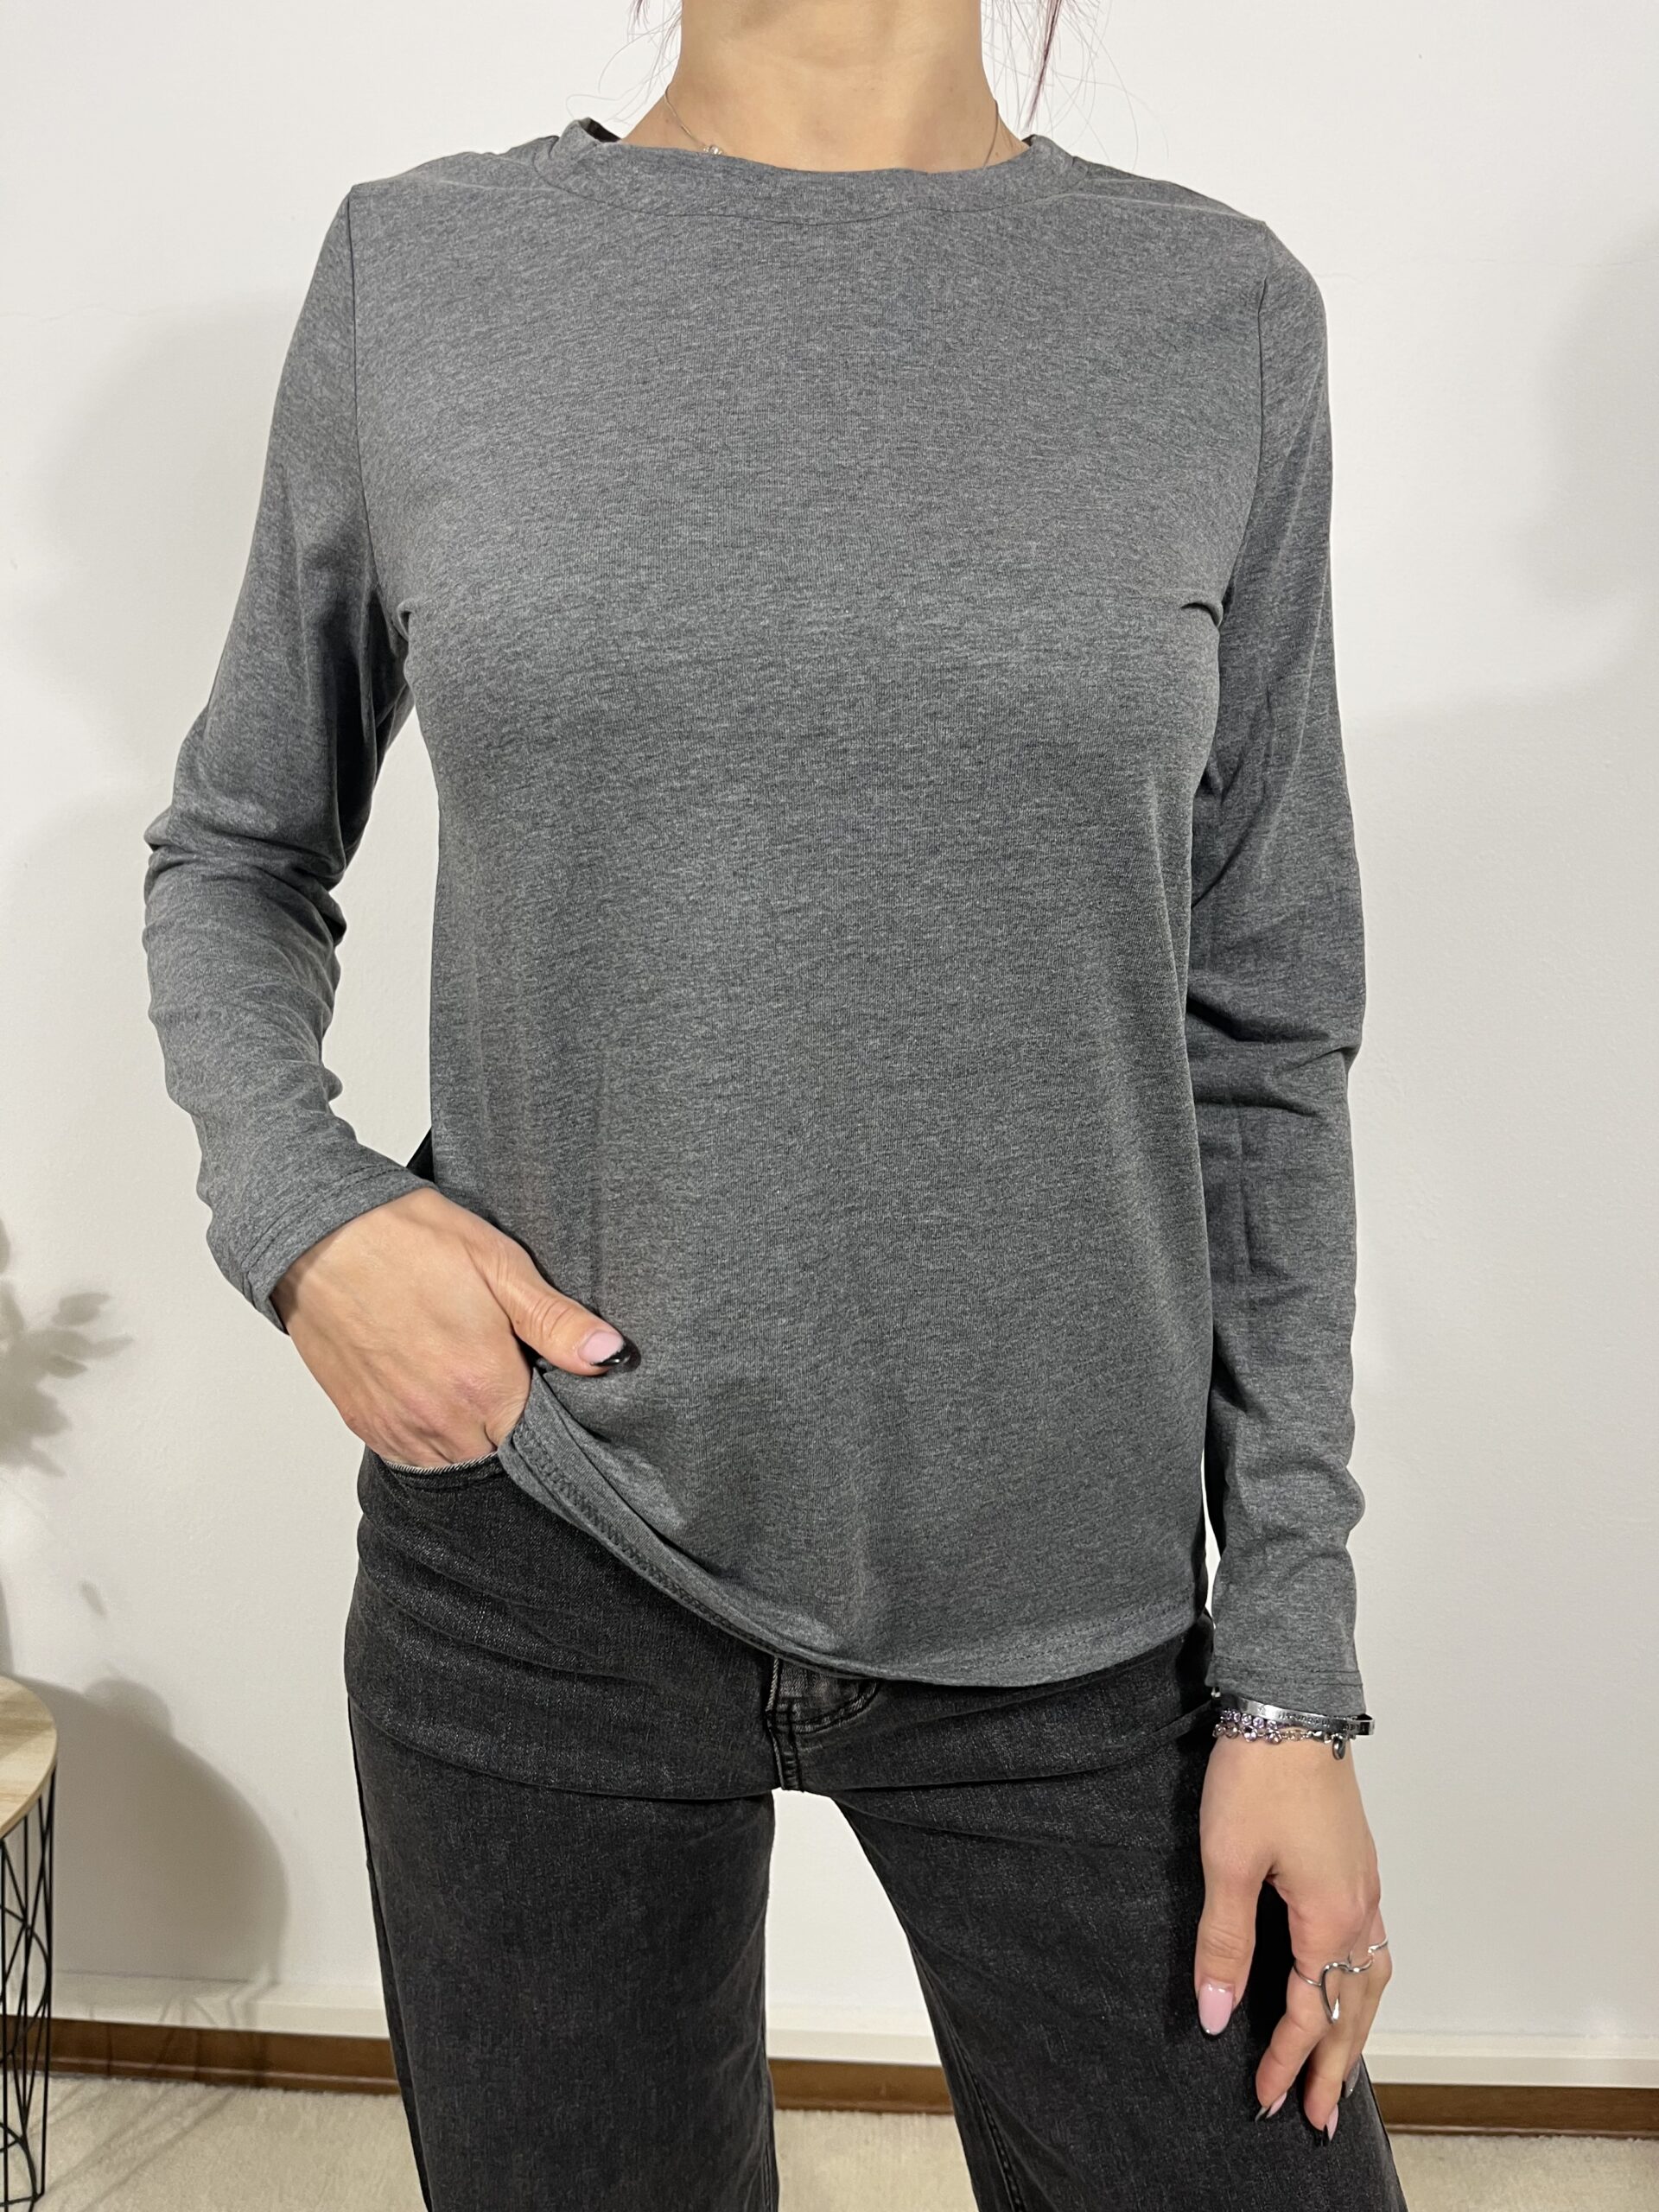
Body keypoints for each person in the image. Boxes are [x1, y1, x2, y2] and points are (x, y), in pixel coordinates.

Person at [140, 3, 1407, 2205]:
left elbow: (1268, 1032)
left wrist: (1288, 1669)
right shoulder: (423, 275)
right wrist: (302, 1207)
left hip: (1078, 1615)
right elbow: (237, 850)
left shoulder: (1217, 315)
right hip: (541, 1564)